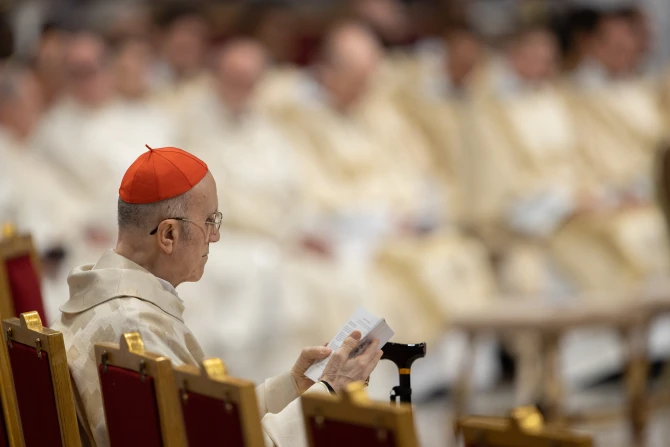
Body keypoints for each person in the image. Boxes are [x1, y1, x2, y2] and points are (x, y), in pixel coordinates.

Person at [52, 146, 383, 447]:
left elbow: (203, 423)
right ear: (168, 234)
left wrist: (294, 385)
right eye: (210, 221)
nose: (216, 236)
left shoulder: (105, 304)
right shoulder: (137, 329)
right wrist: (328, 392)